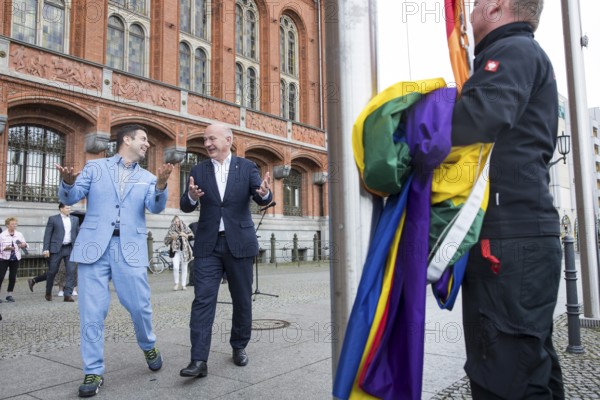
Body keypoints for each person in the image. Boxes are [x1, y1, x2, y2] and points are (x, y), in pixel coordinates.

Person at [451, 1, 564, 398]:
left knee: (502, 378)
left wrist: (407, 123)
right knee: (528, 368)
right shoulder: (518, 51)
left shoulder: (513, 49)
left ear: (498, 6)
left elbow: (479, 116)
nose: (473, 8)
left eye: (480, 1)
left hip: (509, 242)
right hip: (520, 238)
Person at [56, 124, 174, 398]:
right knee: (92, 311)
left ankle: (148, 345)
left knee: (139, 306)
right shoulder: (95, 168)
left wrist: (161, 184)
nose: (147, 144)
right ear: (127, 139)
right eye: (143, 139)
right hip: (93, 246)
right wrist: (69, 182)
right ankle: (93, 371)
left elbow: (155, 206)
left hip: (129, 247)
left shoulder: (147, 177)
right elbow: (71, 197)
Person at [179, 123, 272, 378]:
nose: (207, 143)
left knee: (241, 300)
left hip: (240, 243)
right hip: (208, 245)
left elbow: (261, 196)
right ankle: (198, 360)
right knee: (202, 300)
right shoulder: (199, 169)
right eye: (204, 139)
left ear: (228, 139)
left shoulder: (247, 167)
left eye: (211, 138)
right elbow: (186, 205)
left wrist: (265, 193)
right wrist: (192, 197)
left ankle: (239, 346)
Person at [28, 203, 79, 302]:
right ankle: (48, 292)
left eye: (70, 207)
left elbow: (77, 233)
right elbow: (48, 234)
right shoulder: (53, 219)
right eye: (67, 207)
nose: (69, 209)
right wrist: (46, 249)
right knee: (52, 271)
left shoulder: (75, 219)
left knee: (71, 271)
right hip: (56, 249)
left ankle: (67, 294)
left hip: (70, 248)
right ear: (61, 209)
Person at [0, 217, 29, 303]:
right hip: (4, 258)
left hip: (15, 257)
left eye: (15, 224)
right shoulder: (2, 235)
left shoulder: (19, 234)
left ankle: (9, 295)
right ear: (7, 225)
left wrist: (24, 245)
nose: (14, 226)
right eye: (12, 224)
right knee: (0, 277)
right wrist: (6, 248)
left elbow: (25, 243)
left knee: (12, 277)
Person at [164, 216, 194, 291]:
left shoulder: (184, 227)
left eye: (178, 221)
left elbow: (191, 236)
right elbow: (166, 240)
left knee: (184, 267)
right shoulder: (171, 229)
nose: (177, 223)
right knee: (176, 267)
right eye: (175, 222)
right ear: (173, 222)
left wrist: (185, 235)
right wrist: (171, 238)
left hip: (185, 251)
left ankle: (183, 285)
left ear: (180, 221)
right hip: (175, 251)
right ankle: (176, 283)